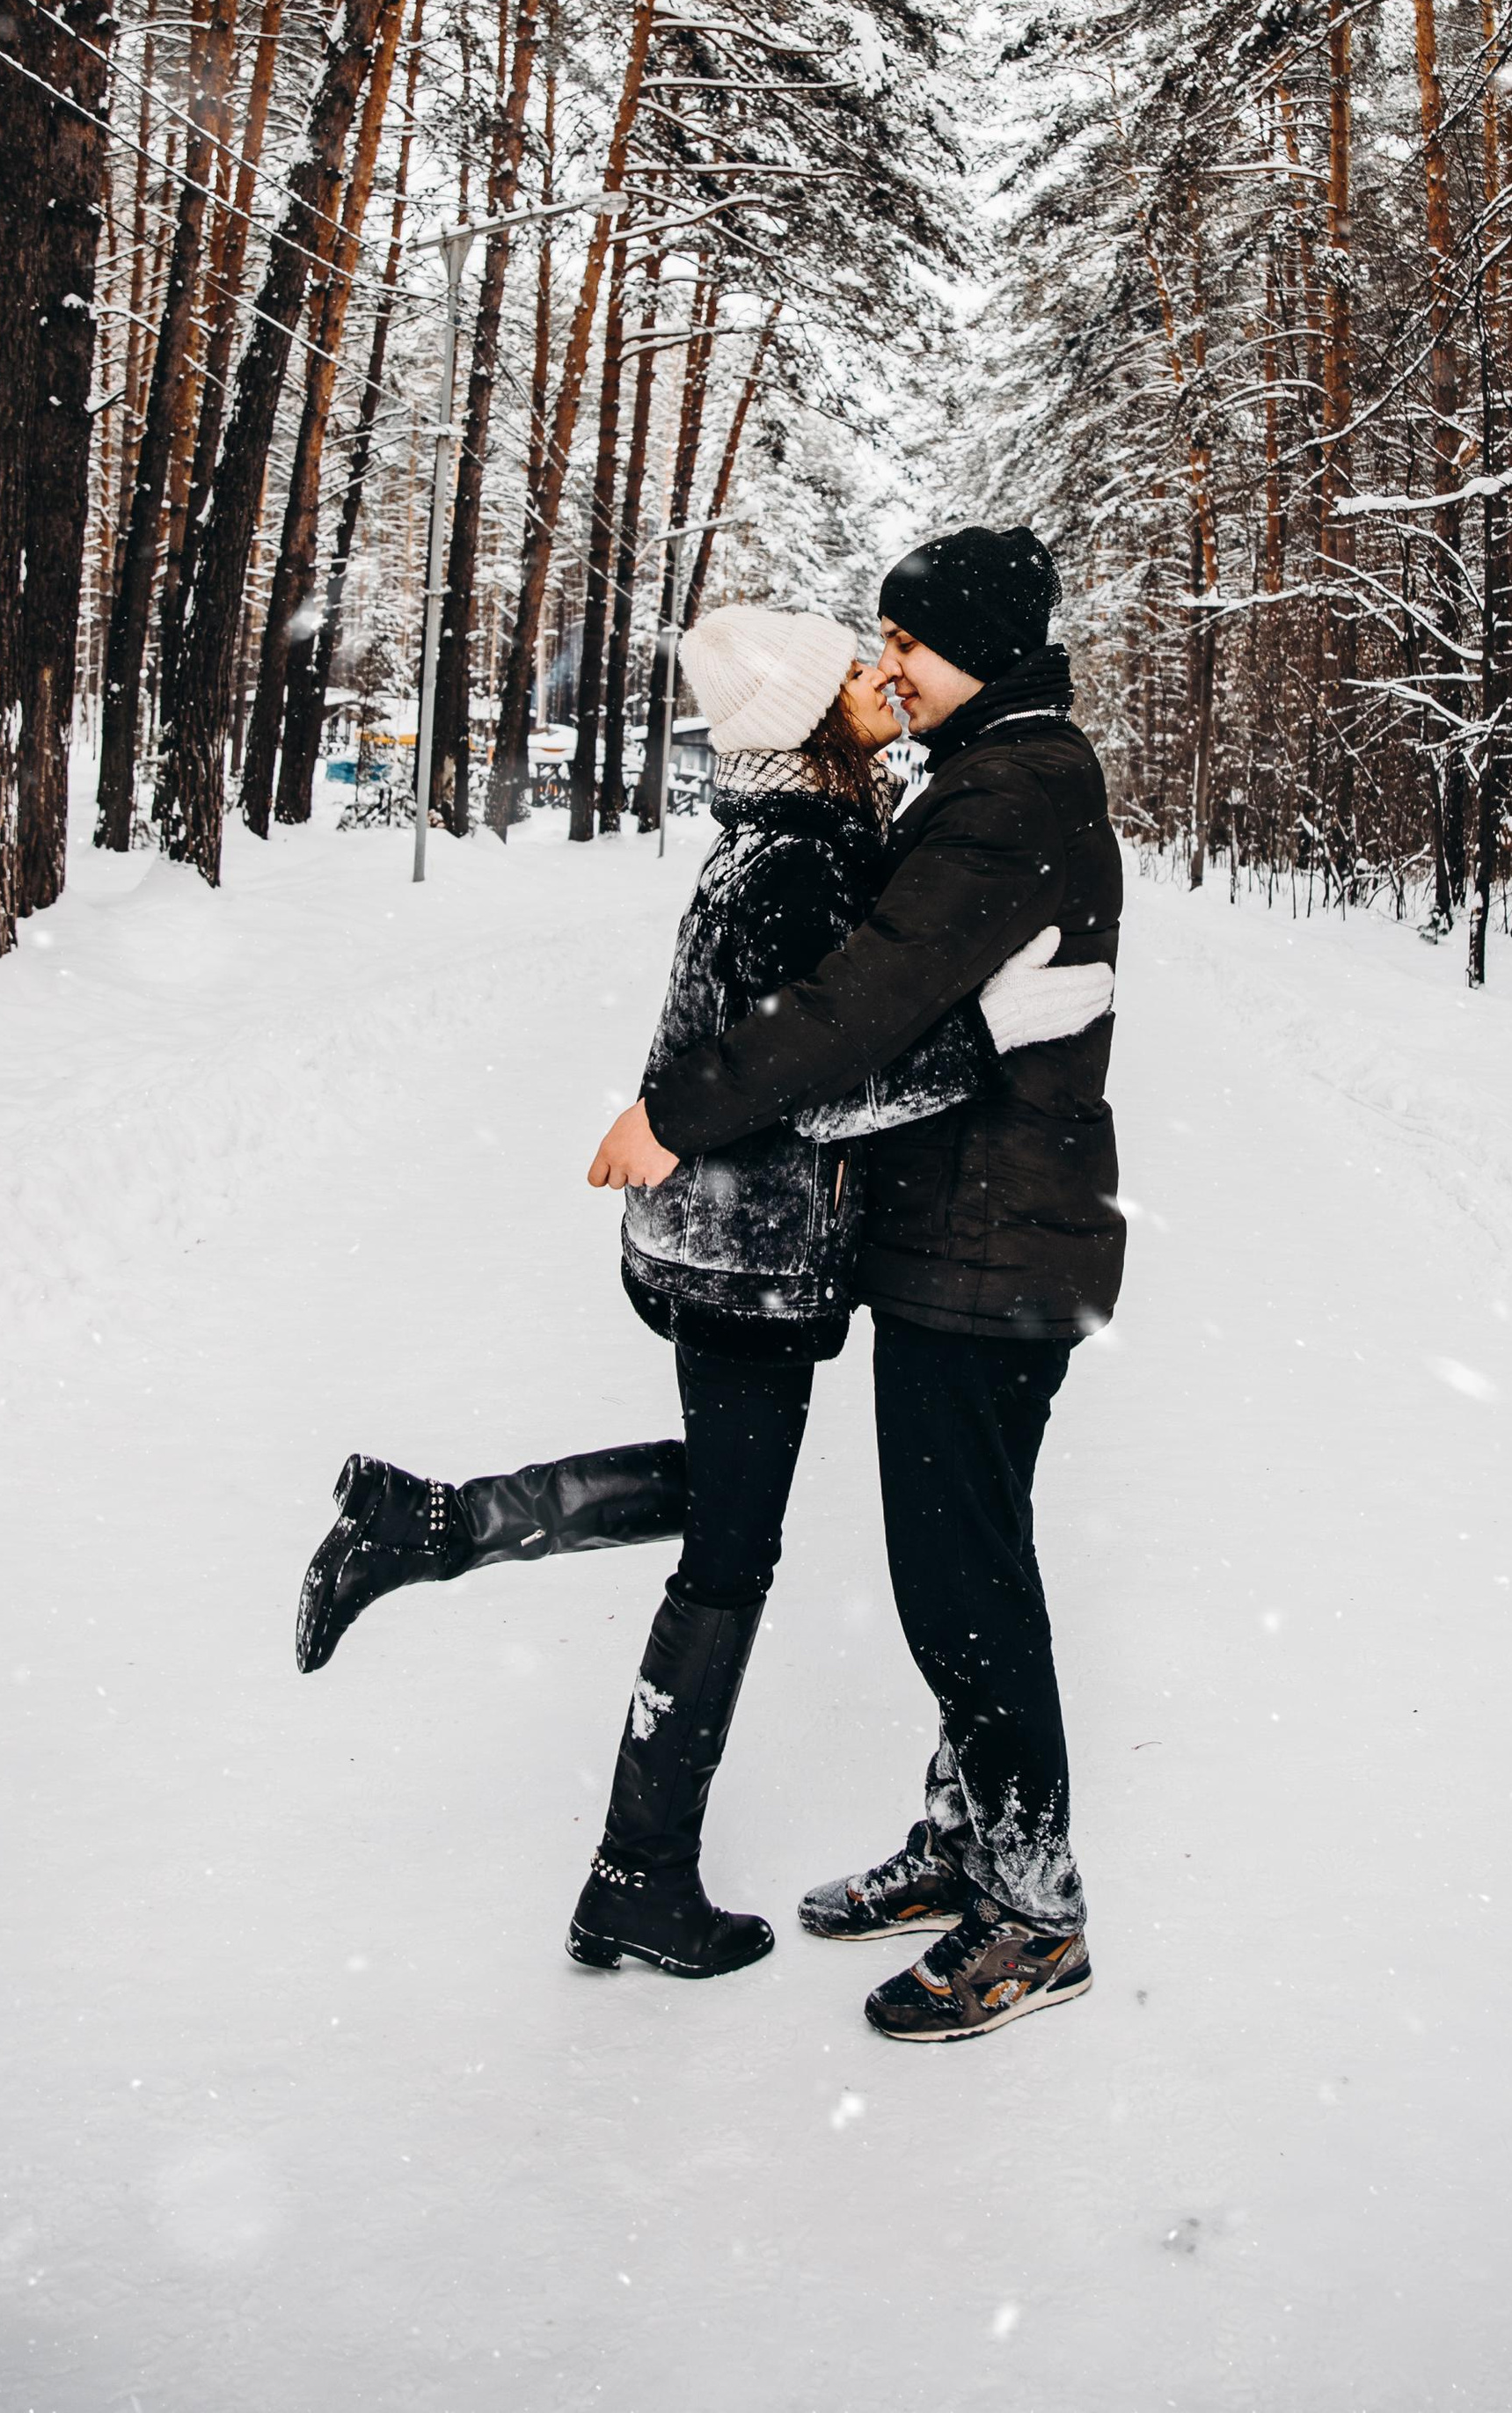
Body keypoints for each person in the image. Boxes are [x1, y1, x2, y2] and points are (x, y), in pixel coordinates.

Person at [295, 601, 1109, 1989]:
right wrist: (1000, 1034)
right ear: (802, 721)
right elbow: (831, 1076)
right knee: (731, 1545)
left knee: (732, 1503)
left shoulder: (808, 833)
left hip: (739, 1247)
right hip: (748, 1253)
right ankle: (633, 1873)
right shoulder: (790, 865)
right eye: (848, 670)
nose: (875, 676)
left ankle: (437, 1532)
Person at [589, 525, 1123, 2045]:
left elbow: (857, 1010)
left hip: (997, 1246)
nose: (886, 664)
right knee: (956, 1563)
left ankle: (1033, 1908)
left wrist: (675, 1112)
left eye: (907, 640)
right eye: (875, 641)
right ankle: (971, 1838)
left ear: (979, 650)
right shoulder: (986, 776)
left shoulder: (1010, 791)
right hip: (966, 1237)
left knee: (965, 1583)